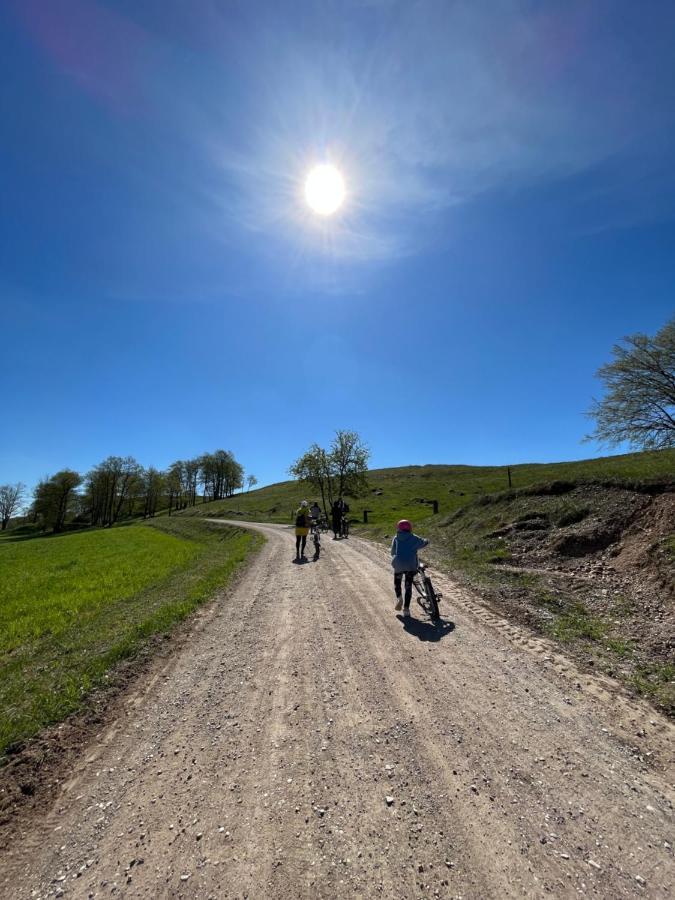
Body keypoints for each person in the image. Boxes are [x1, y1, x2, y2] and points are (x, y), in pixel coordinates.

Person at [390, 519, 428, 617]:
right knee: (408, 587)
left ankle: (399, 598)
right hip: (410, 565)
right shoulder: (414, 537)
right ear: (410, 528)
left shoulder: (396, 538)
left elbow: (392, 552)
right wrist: (427, 541)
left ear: (398, 528)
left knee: (397, 583)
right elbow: (423, 543)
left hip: (398, 564)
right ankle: (406, 609)